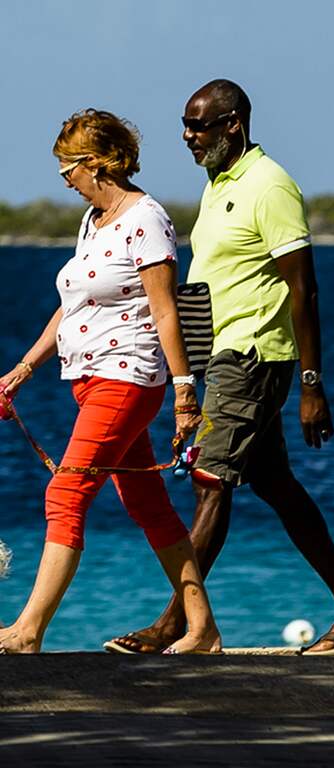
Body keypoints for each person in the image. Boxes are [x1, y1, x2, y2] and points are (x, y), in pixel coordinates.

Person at [105, 80, 334, 655]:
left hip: (252, 357)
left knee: (210, 482)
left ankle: (177, 622)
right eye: (184, 126)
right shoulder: (218, 182)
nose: (187, 137)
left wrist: (312, 384)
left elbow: (304, 288)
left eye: (198, 126)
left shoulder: (270, 185)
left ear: (233, 124)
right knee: (277, 486)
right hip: (221, 356)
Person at [0, 109, 220, 654]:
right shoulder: (94, 221)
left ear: (97, 163)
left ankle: (28, 631)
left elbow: (166, 312)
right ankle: (202, 629)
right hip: (90, 380)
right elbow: (71, 306)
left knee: (66, 491)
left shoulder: (147, 219)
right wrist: (23, 369)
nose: (64, 181)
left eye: (67, 169)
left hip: (129, 376)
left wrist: (184, 391)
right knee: (146, 502)